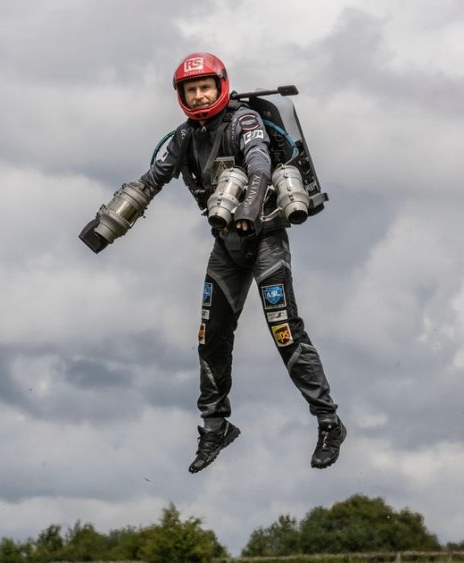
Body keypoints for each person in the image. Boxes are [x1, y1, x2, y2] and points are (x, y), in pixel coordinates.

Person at [85, 53, 345, 473]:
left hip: (265, 239)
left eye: (205, 86)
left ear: (221, 85)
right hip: (226, 246)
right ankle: (214, 428)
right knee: (211, 338)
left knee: (284, 332)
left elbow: (259, 162)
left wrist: (250, 207)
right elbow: (153, 179)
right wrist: (106, 225)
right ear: (181, 95)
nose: (200, 95)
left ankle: (329, 422)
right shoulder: (183, 137)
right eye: (192, 89)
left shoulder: (244, 121)